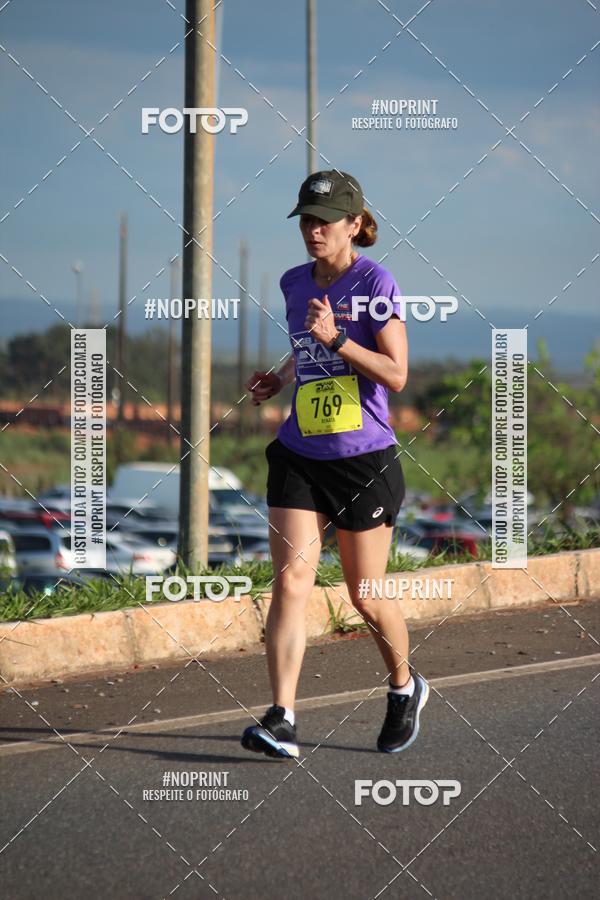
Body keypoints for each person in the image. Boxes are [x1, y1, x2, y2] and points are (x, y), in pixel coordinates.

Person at [241, 169, 428, 759]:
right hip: (300, 452)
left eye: (324, 222)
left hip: (361, 460)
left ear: (354, 224)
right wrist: (281, 377)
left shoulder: (377, 282)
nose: (313, 231)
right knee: (292, 580)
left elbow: (396, 374)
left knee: (365, 593)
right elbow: (307, 350)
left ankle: (404, 687)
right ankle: (282, 717)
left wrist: (340, 340)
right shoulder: (294, 283)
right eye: (306, 221)